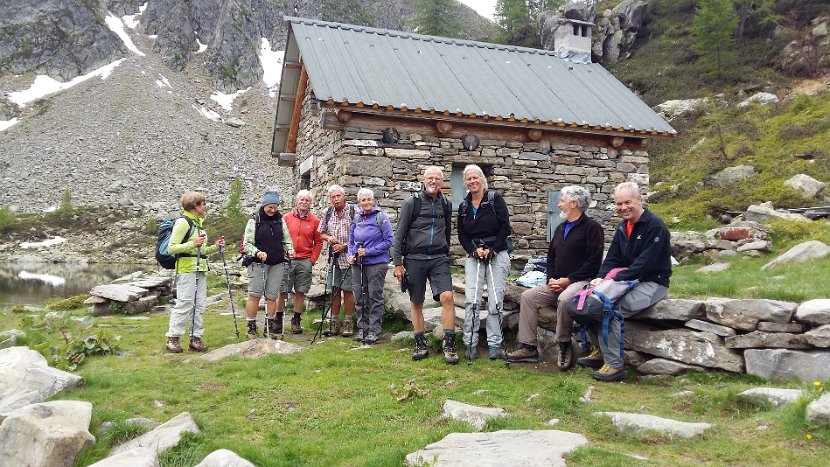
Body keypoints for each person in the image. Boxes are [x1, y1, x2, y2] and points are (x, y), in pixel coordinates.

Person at [577, 181, 672, 382]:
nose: (623, 208)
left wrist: (614, 279)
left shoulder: (655, 226)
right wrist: (600, 278)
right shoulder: (623, 227)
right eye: (619, 204)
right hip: (629, 280)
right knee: (594, 304)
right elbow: (612, 257)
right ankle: (600, 352)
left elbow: (645, 265)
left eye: (627, 202)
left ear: (639, 200)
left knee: (611, 310)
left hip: (653, 283)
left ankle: (614, 365)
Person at [505, 185, 604, 370]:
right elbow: (550, 257)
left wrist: (569, 280)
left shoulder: (592, 228)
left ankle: (564, 344)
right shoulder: (561, 228)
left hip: (581, 282)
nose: (558, 205)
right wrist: (551, 278)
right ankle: (528, 348)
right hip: (557, 281)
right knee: (528, 297)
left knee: (565, 300)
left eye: (562, 201)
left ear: (574, 204)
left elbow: (594, 262)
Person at [393, 166, 458, 364]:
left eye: (437, 178)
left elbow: (446, 231)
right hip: (414, 258)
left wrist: (445, 251)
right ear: (424, 180)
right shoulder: (411, 202)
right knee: (417, 302)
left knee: (447, 297)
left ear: (442, 182)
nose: (434, 181)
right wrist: (397, 263)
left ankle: (449, 345)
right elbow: (399, 234)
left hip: (438, 257)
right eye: (430, 178)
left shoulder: (446, 204)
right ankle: (420, 343)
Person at [456, 164, 512, 361]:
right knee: (472, 300)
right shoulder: (463, 206)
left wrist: (494, 249)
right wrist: (473, 250)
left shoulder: (495, 199)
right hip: (474, 256)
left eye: (475, 178)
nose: (472, 181)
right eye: (468, 179)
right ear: (465, 182)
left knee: (495, 301)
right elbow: (461, 234)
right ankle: (469, 342)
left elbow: (505, 227)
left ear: (482, 179)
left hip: (496, 254)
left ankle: (495, 343)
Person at [165, 191, 225, 353]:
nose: (205, 207)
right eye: (203, 204)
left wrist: (215, 247)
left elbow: (202, 250)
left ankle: (196, 338)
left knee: (200, 304)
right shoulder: (183, 223)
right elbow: (171, 248)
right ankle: (173, 338)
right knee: (184, 302)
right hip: (186, 269)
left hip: (200, 269)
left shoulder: (198, 224)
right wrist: (192, 244)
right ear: (194, 206)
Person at [243, 188, 294, 339]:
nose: (272, 210)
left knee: (272, 296)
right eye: (270, 207)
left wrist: (290, 250)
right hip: (258, 263)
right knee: (255, 294)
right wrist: (257, 252)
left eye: (275, 207)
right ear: (264, 205)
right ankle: (251, 327)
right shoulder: (254, 220)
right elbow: (247, 244)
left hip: (277, 262)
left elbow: (286, 240)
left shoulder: (280, 220)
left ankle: (269, 327)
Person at [347, 188, 394, 344]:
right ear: (359, 202)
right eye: (363, 200)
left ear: (373, 201)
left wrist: (368, 252)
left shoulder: (382, 217)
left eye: (369, 199)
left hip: (376, 263)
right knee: (360, 297)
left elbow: (389, 242)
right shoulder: (356, 218)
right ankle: (362, 329)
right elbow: (351, 240)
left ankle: (374, 331)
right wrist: (351, 255)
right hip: (358, 264)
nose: (366, 202)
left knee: (374, 297)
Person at [277, 190, 322, 334]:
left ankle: (296, 320)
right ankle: (278, 319)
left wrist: (312, 260)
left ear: (310, 203)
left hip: (305, 260)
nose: (304, 202)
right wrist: (282, 254)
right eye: (302, 200)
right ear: (297, 201)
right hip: (287, 259)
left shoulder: (315, 221)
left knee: (301, 291)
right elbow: (280, 237)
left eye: (307, 200)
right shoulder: (286, 218)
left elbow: (319, 242)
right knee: (282, 290)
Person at [318, 184, 356, 337]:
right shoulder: (327, 213)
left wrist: (344, 246)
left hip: (349, 258)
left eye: (338, 196)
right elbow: (321, 233)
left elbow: (361, 233)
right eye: (333, 197)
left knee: (348, 290)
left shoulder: (354, 211)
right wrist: (328, 238)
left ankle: (348, 323)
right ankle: (333, 324)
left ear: (344, 196)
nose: (336, 199)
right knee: (334, 290)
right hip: (333, 258)